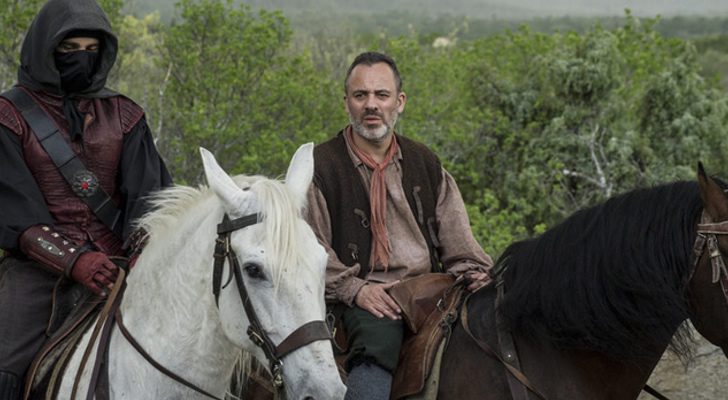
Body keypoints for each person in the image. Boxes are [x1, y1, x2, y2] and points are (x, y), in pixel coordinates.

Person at [0, 0, 172, 398]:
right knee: (4, 363)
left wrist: (141, 257)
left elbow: (151, 200)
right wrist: (74, 260)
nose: (82, 57)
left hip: (123, 266)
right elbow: (14, 214)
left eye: (91, 49)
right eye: (69, 48)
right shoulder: (9, 116)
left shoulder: (125, 115)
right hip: (36, 272)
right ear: (45, 49)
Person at [305, 51, 493, 400]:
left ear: (399, 102)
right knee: (377, 341)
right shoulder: (320, 167)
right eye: (360, 96)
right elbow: (309, 248)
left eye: (382, 95)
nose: (371, 105)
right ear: (346, 102)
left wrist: (475, 273)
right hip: (362, 299)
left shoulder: (424, 161)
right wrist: (356, 290)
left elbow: (459, 241)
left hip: (430, 289)